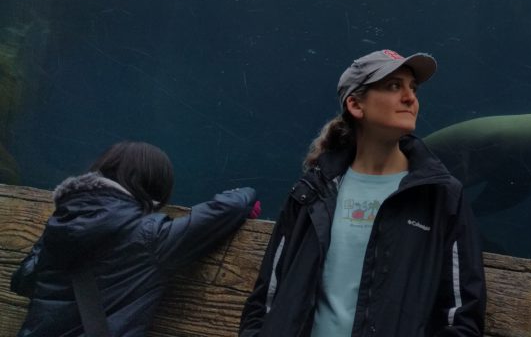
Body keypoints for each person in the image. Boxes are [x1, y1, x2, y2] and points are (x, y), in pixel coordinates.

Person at [239, 49, 486, 337]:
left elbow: (462, 318)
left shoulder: (441, 196)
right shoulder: (312, 191)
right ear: (356, 105)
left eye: (413, 88)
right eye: (394, 86)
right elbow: (266, 298)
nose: (410, 98)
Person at [11, 140, 259, 337]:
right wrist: (245, 197)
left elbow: (22, 281)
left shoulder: (62, 220)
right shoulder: (149, 237)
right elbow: (230, 208)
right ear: (155, 187)